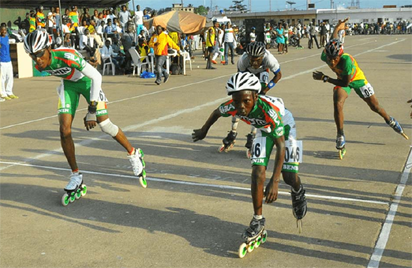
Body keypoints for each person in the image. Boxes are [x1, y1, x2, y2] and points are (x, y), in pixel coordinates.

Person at [23, 30, 147, 197]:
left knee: (104, 125)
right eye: (32, 56)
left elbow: (96, 76)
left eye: (39, 53)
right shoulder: (40, 63)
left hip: (88, 82)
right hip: (68, 85)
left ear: (49, 47)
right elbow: (72, 62)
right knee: (64, 130)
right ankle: (76, 176)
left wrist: (92, 109)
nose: (37, 59)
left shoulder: (65, 55)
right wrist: (86, 59)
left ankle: (133, 153)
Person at [192, 72, 307, 243]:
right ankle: (258, 220)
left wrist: (274, 182)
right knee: (257, 173)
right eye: (237, 101)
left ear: (255, 96)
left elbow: (281, 145)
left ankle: (298, 190)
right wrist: (204, 130)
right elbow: (216, 112)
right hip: (263, 128)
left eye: (246, 101)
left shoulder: (268, 111)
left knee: (288, 176)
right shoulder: (233, 105)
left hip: (284, 127)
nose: (241, 107)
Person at [312, 39, 408, 155]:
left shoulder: (346, 61)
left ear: (340, 55)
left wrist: (325, 78)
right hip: (342, 80)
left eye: (335, 58)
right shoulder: (325, 56)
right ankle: (340, 134)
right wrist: (338, 26)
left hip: (357, 80)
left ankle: (390, 120)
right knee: (338, 103)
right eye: (329, 58)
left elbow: (345, 83)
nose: (332, 62)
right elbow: (334, 37)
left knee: (375, 107)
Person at [220, 42, 282, 155]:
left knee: (256, 104)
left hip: (263, 74)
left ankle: (253, 134)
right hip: (247, 75)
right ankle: (233, 132)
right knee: (240, 101)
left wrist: (266, 89)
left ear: (263, 57)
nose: (254, 62)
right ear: (247, 56)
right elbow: (240, 81)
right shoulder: (242, 60)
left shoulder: (270, 59)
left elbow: (278, 75)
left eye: (257, 60)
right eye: (251, 59)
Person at [0, 26, 17, 101]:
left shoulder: (7, 38)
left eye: (5, 30)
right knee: (2, 78)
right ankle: (2, 93)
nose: (4, 31)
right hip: (2, 61)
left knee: (10, 77)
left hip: (8, 60)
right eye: (3, 30)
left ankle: (9, 92)